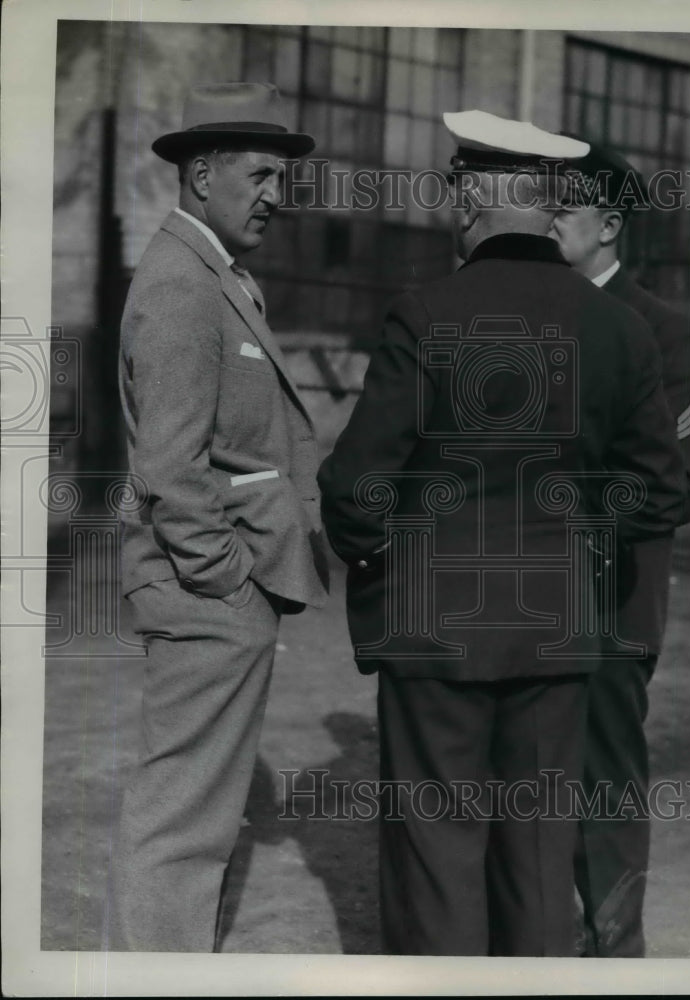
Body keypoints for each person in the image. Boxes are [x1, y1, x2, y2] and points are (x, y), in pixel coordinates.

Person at [318, 111, 687, 956]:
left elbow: (355, 484)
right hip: (559, 637)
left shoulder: (425, 313)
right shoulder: (618, 328)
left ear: (479, 195)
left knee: (437, 857)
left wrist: (383, 558)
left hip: (433, 633)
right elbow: (662, 493)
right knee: (534, 855)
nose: (454, 205)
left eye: (458, 188)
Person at [107, 83, 329, 952]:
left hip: (220, 591)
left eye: (282, 175)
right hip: (206, 593)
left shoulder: (218, 276)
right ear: (202, 175)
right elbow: (169, 466)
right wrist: (226, 582)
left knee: (197, 818)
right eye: (263, 173)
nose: (278, 193)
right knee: (179, 824)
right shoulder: (181, 284)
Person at [547, 138, 690, 957]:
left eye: (561, 211)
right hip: (522, 603)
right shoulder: (525, 314)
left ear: (610, 224)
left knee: (602, 786)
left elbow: (673, 486)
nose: (543, 224)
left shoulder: (666, 334)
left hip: (611, 600)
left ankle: (615, 956)